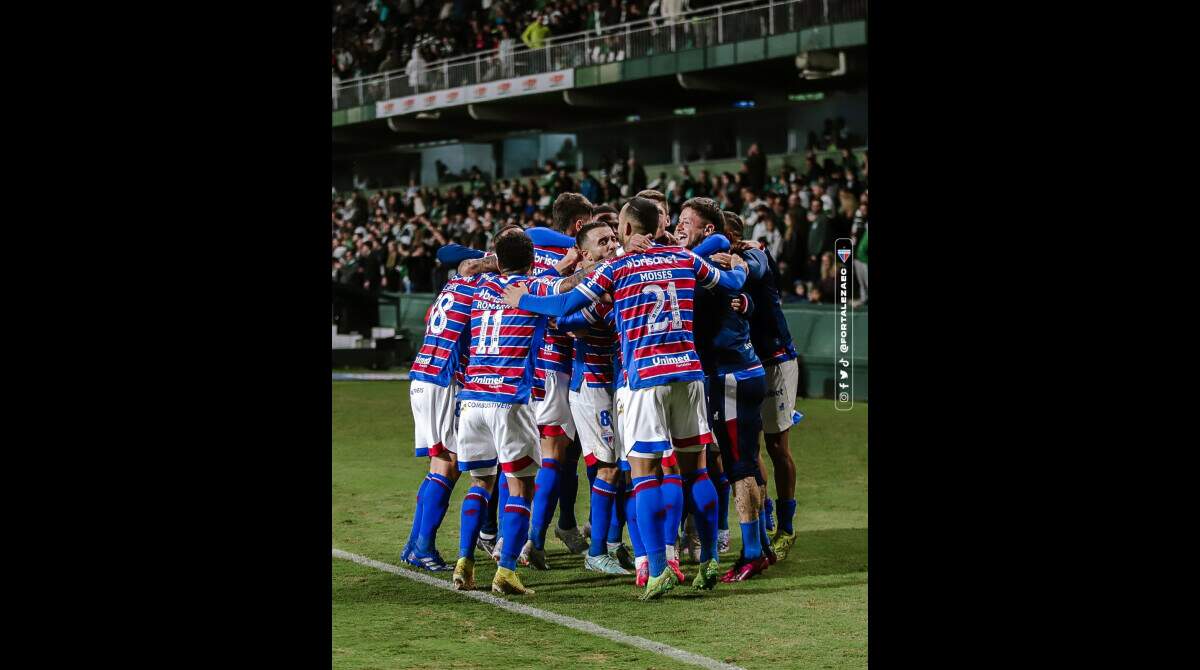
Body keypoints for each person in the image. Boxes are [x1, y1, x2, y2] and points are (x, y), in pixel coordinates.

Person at [500, 196, 749, 600]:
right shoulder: (685, 260)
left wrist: (522, 300)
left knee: (646, 473)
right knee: (698, 471)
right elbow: (733, 284)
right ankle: (707, 562)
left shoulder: (616, 268)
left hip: (645, 379)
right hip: (688, 373)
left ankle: (657, 565)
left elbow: (565, 303)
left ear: (629, 230)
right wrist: (737, 262)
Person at [452, 228, 556, 595]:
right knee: (522, 488)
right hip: (509, 400)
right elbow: (570, 290)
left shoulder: (480, 287)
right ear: (531, 262)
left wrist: (486, 262)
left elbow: (463, 267)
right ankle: (507, 570)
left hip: (473, 400)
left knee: (480, 482)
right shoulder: (534, 288)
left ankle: (464, 561)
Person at [674, 201, 772, 583]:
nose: (680, 228)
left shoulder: (712, 264)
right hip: (741, 372)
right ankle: (760, 544)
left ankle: (751, 553)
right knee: (742, 462)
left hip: (730, 376)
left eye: (687, 222)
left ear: (708, 227)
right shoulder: (714, 259)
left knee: (739, 467)